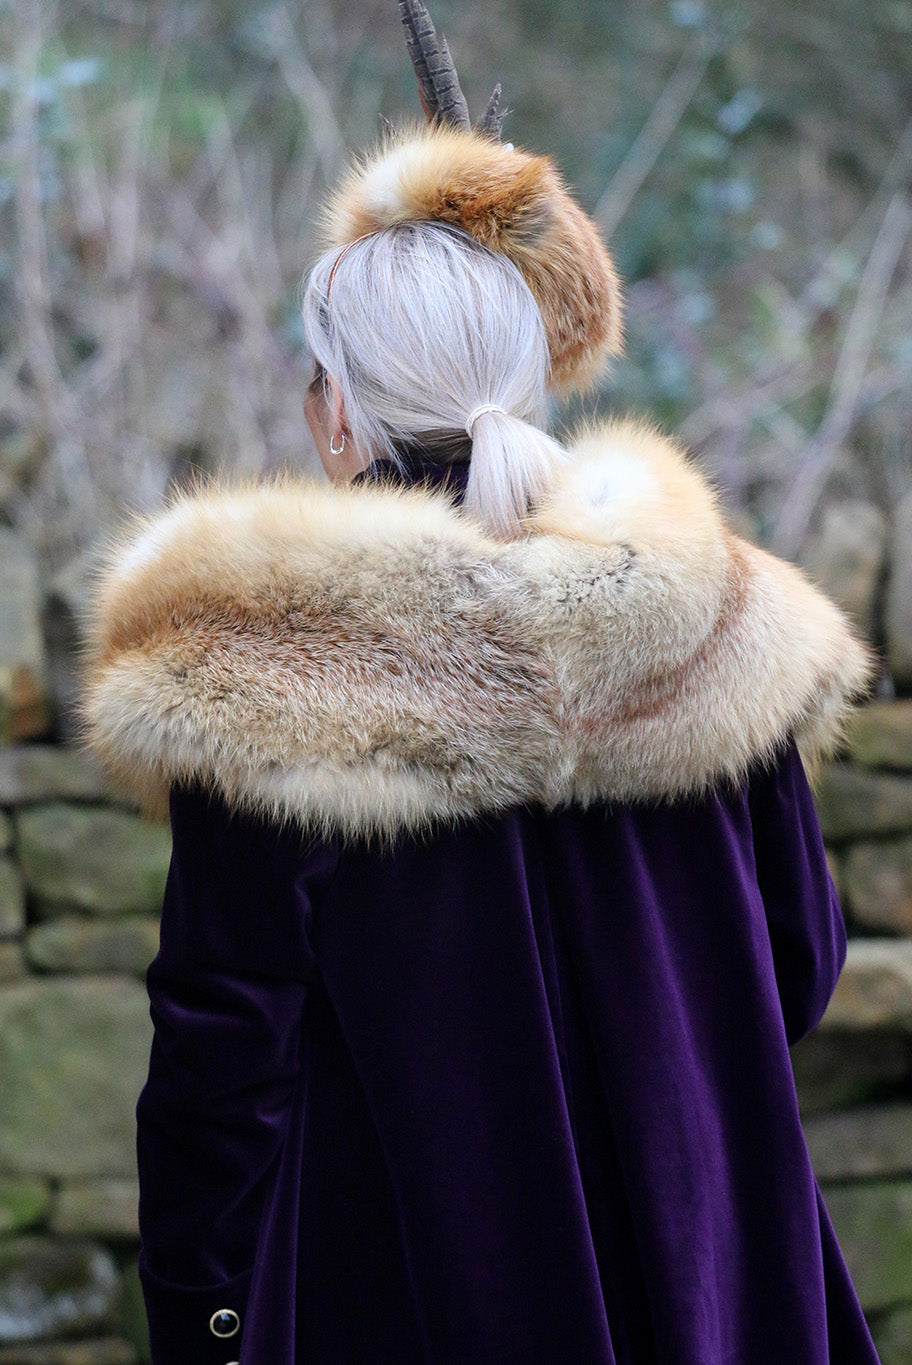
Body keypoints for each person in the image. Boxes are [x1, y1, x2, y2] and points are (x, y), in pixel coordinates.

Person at [84, 6, 880, 1362]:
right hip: (715, 1294)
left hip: (406, 1301)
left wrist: (206, 1323)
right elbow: (794, 965)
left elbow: (223, 1069)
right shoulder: (704, 623)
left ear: (339, 410)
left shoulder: (268, 666)